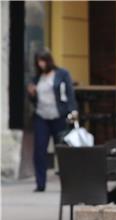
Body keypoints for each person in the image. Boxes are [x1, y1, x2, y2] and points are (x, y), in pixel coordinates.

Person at [27, 49, 78, 192]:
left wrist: (73, 111)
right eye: (38, 61)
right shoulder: (37, 78)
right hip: (41, 117)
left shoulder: (62, 74)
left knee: (62, 150)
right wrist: (31, 93)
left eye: (43, 60)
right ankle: (40, 183)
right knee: (39, 150)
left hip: (59, 116)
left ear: (49, 60)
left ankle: (68, 183)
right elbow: (32, 99)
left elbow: (70, 93)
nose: (41, 64)